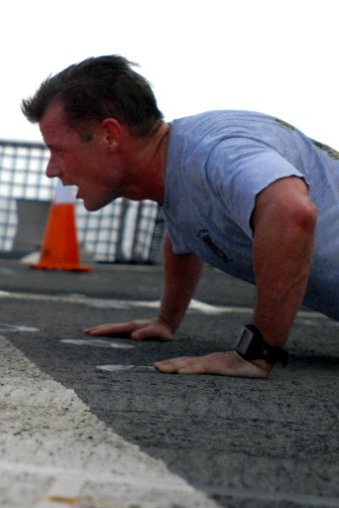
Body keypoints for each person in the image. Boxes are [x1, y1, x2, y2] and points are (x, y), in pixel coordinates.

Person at [21, 55, 336, 379]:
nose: (51, 170)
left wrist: (257, 354)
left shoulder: (215, 150)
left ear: (110, 136)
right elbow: (185, 232)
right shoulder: (178, 167)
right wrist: (167, 320)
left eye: (57, 150)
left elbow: (291, 212)